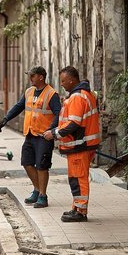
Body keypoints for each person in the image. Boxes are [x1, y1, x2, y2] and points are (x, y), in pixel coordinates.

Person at [0, 66, 61, 208]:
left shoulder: (51, 94)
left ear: (41, 77)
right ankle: (37, 190)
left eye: (32, 76)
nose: (30, 78)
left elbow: (59, 114)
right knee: (26, 163)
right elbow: (19, 106)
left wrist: (52, 130)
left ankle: (43, 196)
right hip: (30, 134)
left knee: (42, 165)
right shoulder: (29, 91)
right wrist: (6, 118)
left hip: (44, 136)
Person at [44, 66, 100, 222]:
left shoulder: (76, 97)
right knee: (76, 177)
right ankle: (77, 207)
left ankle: (81, 211)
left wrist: (54, 133)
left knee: (78, 178)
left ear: (71, 79)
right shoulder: (85, 94)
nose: (61, 84)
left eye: (63, 81)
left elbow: (73, 124)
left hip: (79, 145)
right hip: (83, 144)